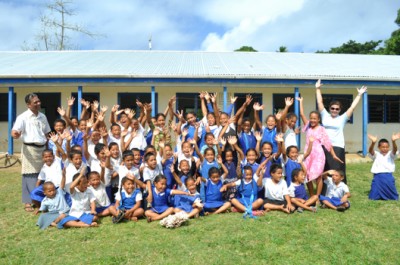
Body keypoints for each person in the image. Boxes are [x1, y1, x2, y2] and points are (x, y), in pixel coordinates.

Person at [316, 79, 367, 183]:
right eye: (332, 108)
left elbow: (352, 107)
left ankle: (339, 189)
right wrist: (317, 88)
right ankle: (324, 191)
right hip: (325, 145)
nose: (334, 110)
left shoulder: (342, 118)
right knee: (325, 168)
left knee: (337, 169)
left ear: (340, 110)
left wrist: (359, 95)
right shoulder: (325, 115)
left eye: (337, 109)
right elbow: (320, 102)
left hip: (338, 146)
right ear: (329, 108)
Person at [11, 93, 51, 212]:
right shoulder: (22, 117)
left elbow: (46, 133)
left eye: (39, 101)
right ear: (28, 105)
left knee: (43, 174)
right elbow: (14, 132)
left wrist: (48, 148)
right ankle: (28, 202)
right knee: (29, 175)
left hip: (42, 149)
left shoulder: (42, 117)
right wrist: (15, 134)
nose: (38, 103)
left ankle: (40, 199)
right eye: (35, 102)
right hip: (30, 149)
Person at [367, 133, 400, 200]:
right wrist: (373, 142)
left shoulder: (391, 154)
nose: (385, 149)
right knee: (372, 197)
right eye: (383, 147)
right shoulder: (376, 154)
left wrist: (393, 141)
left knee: (394, 197)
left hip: (388, 177)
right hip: (377, 177)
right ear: (379, 147)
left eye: (387, 147)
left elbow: (395, 150)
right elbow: (371, 151)